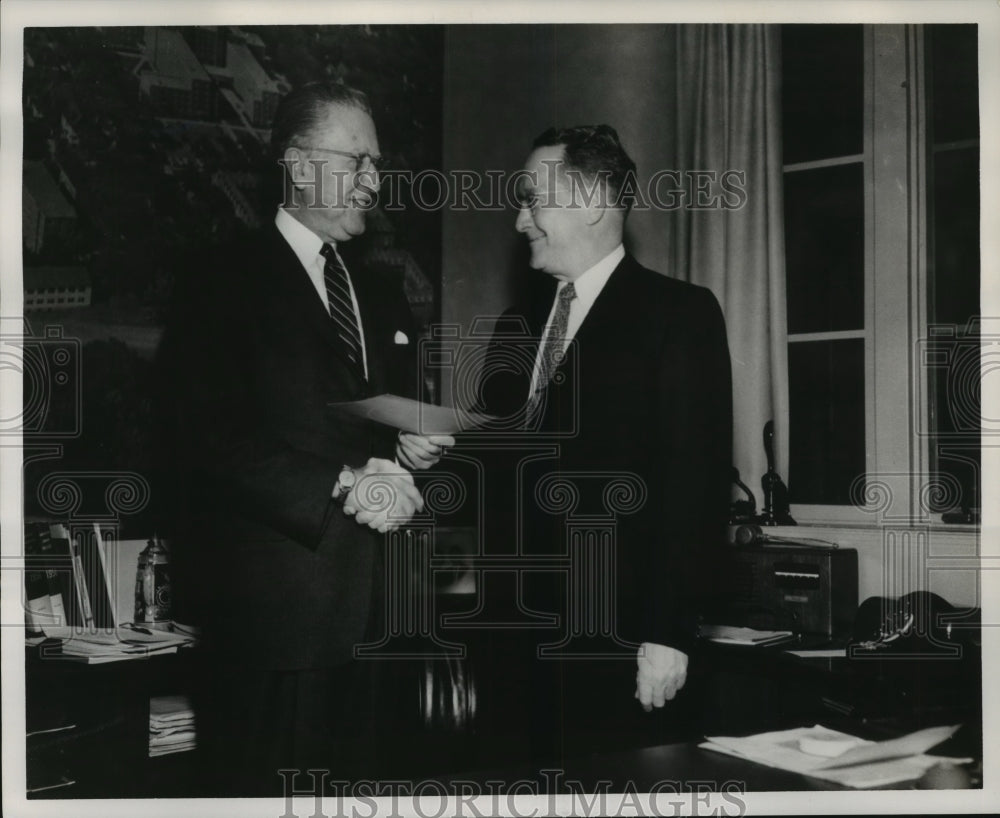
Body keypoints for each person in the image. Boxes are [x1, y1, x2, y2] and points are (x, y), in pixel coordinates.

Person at [154, 81, 452, 795]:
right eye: (357, 160)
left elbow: (378, 425)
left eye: (376, 163)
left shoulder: (380, 293)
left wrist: (411, 444)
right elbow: (204, 433)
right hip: (270, 626)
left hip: (379, 618)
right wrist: (346, 482)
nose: (374, 181)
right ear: (297, 162)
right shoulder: (220, 280)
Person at [477, 124, 733, 760]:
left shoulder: (679, 315)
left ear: (592, 202)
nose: (519, 220)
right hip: (511, 644)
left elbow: (694, 486)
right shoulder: (517, 327)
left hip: (620, 648)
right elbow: (492, 472)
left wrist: (668, 635)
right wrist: (425, 457)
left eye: (532, 199)